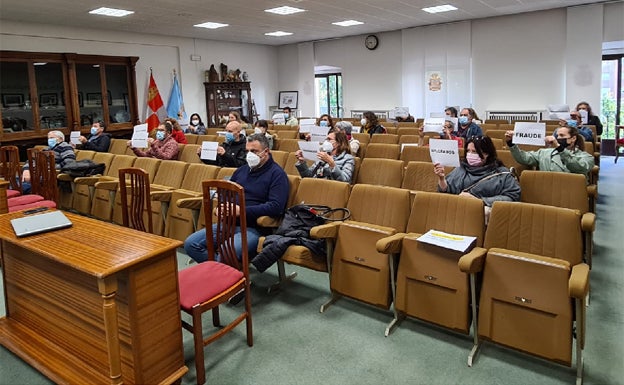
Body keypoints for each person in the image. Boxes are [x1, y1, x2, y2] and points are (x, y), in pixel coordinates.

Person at [184, 133, 289, 263]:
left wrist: (242, 211)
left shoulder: (277, 174)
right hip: (229, 223)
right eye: (247, 151)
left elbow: (276, 207)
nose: (249, 154)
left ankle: (224, 272)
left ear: (266, 151)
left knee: (226, 253)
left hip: (254, 228)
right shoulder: (241, 171)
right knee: (191, 244)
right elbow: (226, 194)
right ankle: (223, 271)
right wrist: (221, 207)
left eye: (254, 151)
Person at [434, 136, 520, 213]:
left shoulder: (502, 173)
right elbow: (446, 191)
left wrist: (479, 201)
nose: (470, 154)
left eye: (474, 152)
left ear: (486, 154)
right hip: (458, 213)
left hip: (484, 216)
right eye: (468, 151)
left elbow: (512, 197)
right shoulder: (461, 169)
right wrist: (442, 179)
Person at [505, 124, 594, 177]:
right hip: (546, 190)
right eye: (557, 136)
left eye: (562, 136)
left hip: (569, 194)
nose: (558, 138)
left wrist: (560, 148)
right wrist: (511, 144)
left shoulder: (586, 157)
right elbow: (523, 158)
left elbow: (576, 166)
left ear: (573, 138)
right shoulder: (544, 153)